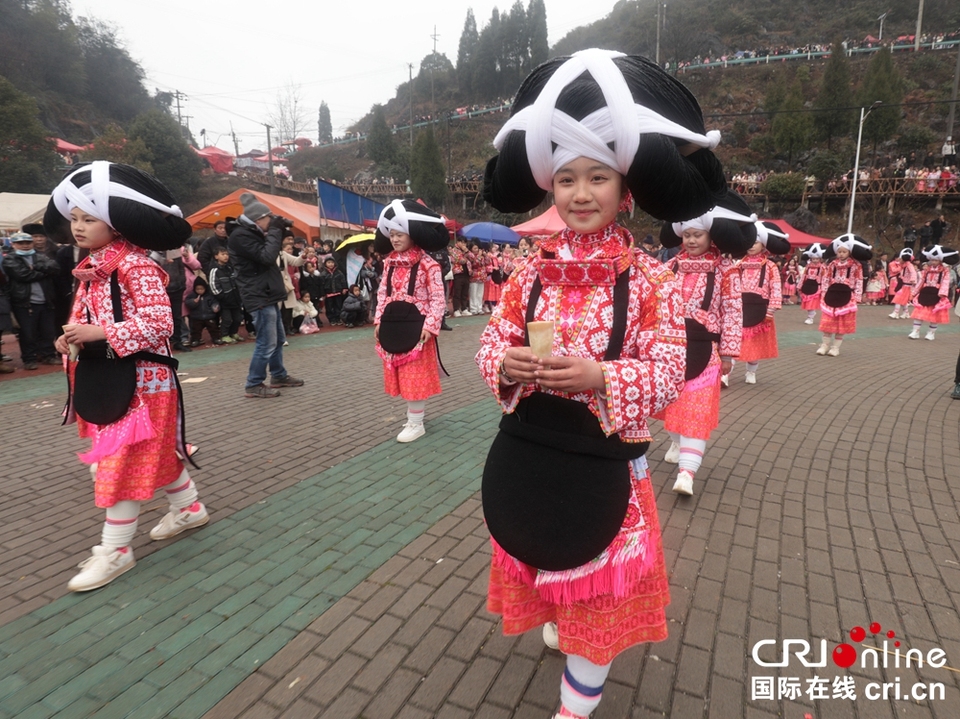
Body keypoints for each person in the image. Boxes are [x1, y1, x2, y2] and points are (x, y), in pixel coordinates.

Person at [477, 48, 731, 719]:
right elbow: (490, 339)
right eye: (567, 178)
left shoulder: (651, 281)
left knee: (601, 601)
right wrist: (505, 365)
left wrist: (600, 376)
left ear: (625, 191)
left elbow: (670, 370)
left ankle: (573, 710)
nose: (581, 193)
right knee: (553, 566)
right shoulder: (528, 273)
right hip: (534, 456)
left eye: (597, 177)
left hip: (607, 468)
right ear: (550, 188)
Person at [45, 161, 207, 592]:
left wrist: (99, 332)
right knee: (155, 453)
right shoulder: (91, 269)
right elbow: (81, 321)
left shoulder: (136, 266)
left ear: (115, 222)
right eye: (74, 218)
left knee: (119, 465)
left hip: (143, 382)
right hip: (109, 376)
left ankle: (116, 550)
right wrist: (70, 341)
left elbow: (160, 324)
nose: (77, 227)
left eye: (88, 218)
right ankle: (189, 509)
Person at [656, 194, 752, 493]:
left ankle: (687, 473)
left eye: (697, 234)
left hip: (706, 349)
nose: (691, 240)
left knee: (695, 408)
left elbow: (733, 311)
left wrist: (729, 352)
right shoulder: (668, 267)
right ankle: (675, 442)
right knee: (670, 406)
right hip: (669, 349)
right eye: (686, 235)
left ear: (711, 235)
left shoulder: (726, 269)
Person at [373, 199, 447, 443]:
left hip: (418, 329)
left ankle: (416, 423)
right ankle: (414, 417)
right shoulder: (388, 264)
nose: (394, 239)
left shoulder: (429, 264)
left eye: (399, 234)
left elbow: (438, 298)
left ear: (413, 235)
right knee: (402, 375)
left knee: (414, 376)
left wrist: (430, 326)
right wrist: (378, 322)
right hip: (394, 325)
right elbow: (382, 293)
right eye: (391, 234)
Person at [228, 192, 304, 398]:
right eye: (269, 218)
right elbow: (267, 256)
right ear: (259, 219)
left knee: (278, 339)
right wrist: (276, 232)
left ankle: (278, 375)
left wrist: (273, 231)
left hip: (267, 293)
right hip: (258, 295)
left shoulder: (253, 233)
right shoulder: (240, 236)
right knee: (266, 341)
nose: (272, 222)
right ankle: (253, 383)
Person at [724, 221, 789, 386]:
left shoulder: (770, 266)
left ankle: (751, 372)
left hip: (760, 310)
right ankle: (725, 375)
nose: (751, 246)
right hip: (739, 309)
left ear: (763, 244)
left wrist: (771, 310)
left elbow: (775, 288)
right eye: (749, 242)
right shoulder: (738, 265)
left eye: (755, 242)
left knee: (754, 346)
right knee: (732, 344)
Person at [2, 232, 60, 369]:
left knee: (48, 331)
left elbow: (55, 268)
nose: (25, 246)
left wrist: (36, 267)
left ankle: (48, 355)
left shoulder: (40, 256)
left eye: (27, 242)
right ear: (14, 244)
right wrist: (44, 273)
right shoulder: (10, 259)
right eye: (21, 243)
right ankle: (29, 359)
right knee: (27, 333)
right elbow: (23, 275)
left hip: (46, 301)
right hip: (23, 303)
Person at [817, 234, 871, 356]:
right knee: (828, 323)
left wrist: (857, 296)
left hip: (847, 295)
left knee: (841, 324)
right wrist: (824, 293)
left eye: (844, 252)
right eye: (839, 251)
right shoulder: (831, 265)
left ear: (849, 252)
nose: (841, 254)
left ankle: (835, 347)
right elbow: (826, 279)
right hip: (832, 294)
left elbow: (859, 281)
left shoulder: (856, 266)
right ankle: (824, 345)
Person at [908, 245, 959, 340]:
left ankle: (931, 333)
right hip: (925, 293)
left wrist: (943, 293)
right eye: (932, 260)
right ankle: (915, 331)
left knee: (934, 316)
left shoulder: (944, 271)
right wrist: (914, 292)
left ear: (940, 261)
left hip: (937, 294)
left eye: (936, 260)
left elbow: (945, 281)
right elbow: (921, 281)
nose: (933, 262)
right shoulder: (926, 270)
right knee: (919, 314)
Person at [207, 246, 244, 343]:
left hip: (235, 298)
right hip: (224, 300)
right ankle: (224, 335)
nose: (226, 256)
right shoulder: (214, 270)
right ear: (216, 256)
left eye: (227, 254)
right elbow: (212, 285)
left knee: (238, 318)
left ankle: (233, 333)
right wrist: (221, 296)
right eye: (222, 254)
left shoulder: (230, 268)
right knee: (227, 319)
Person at [184, 277, 223, 347]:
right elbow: (187, 302)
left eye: (201, 289)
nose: (200, 291)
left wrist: (215, 307)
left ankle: (216, 338)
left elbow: (215, 302)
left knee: (213, 328)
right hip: (196, 317)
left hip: (209, 315)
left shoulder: (209, 296)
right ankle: (195, 340)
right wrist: (194, 302)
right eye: (197, 289)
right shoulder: (192, 296)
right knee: (195, 330)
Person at [799, 243, 827, 324]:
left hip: (816, 287)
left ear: (820, 259)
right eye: (813, 259)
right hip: (808, 285)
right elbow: (804, 275)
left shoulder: (822, 267)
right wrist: (800, 285)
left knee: (812, 303)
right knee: (807, 302)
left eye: (816, 259)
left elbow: (824, 278)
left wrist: (824, 288)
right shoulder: (808, 266)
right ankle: (810, 314)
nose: (815, 260)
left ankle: (810, 317)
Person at [889, 248, 918, 319]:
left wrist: (913, 279)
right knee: (903, 300)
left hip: (907, 285)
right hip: (904, 284)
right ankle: (906, 313)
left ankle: (896, 312)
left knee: (898, 298)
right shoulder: (904, 265)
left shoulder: (909, 265)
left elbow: (913, 272)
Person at [319, 256, 347, 326]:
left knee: (338, 306)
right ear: (325, 264)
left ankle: (338, 318)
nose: (331, 264)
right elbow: (321, 285)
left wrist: (344, 288)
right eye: (328, 262)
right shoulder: (323, 274)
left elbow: (343, 281)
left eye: (332, 262)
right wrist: (322, 293)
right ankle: (332, 319)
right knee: (329, 307)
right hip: (328, 293)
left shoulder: (339, 272)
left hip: (338, 292)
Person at [449, 236, 472, 316]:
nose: (463, 244)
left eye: (464, 242)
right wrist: (465, 256)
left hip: (467, 273)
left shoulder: (466, 251)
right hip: (458, 273)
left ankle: (464, 308)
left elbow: (473, 258)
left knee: (465, 292)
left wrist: (467, 251)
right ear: (458, 242)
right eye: (462, 242)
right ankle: (456, 309)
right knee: (457, 292)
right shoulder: (454, 250)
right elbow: (459, 260)